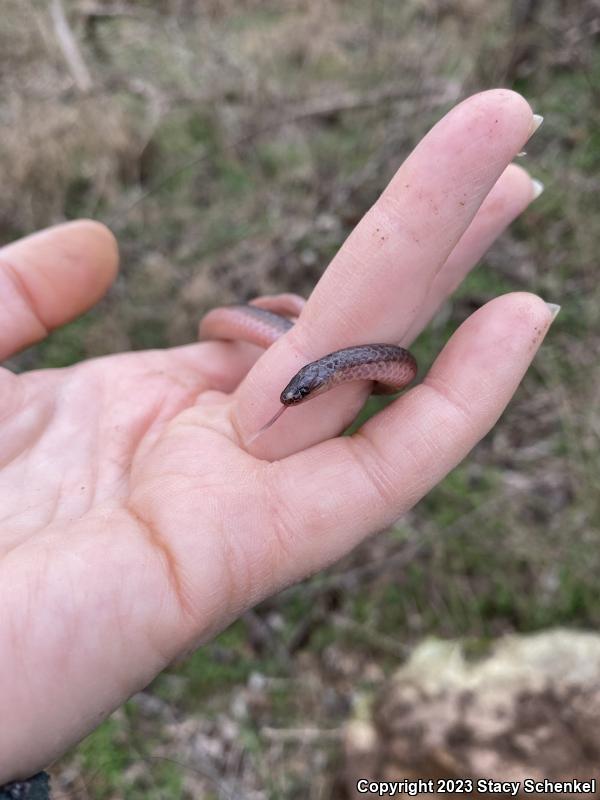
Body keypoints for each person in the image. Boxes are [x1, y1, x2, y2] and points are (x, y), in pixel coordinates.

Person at [0, 89, 556, 783]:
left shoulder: (343, 369)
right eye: (299, 390)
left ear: (317, 382)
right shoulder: (305, 370)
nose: (294, 396)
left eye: (301, 389)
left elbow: (394, 370)